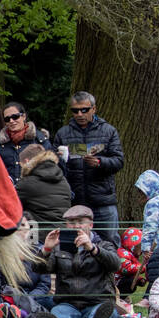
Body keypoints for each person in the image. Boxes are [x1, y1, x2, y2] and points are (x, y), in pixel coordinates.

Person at [30, 204, 121, 318]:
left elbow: (116, 265)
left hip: (97, 303)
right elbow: (37, 268)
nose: (76, 226)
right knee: (58, 312)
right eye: (71, 222)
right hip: (67, 304)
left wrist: (93, 249)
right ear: (66, 225)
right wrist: (46, 249)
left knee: (109, 314)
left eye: (81, 222)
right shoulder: (58, 248)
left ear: (91, 225)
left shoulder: (104, 245)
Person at [53, 91, 124, 245]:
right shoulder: (63, 133)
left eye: (84, 110)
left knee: (109, 242)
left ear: (94, 109)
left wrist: (99, 162)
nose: (79, 114)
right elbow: (53, 165)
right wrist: (60, 159)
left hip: (103, 199)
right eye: (75, 110)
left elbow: (119, 161)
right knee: (72, 243)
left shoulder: (108, 131)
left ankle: (110, 270)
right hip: (75, 199)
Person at [15, 144, 73, 231]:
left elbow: (9, 203)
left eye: (21, 164)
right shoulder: (63, 180)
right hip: (62, 232)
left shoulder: (27, 183)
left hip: (38, 235)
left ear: (27, 161)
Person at [0, 101, 53, 183]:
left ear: (24, 116)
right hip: (10, 192)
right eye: (7, 119)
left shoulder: (39, 140)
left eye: (15, 117)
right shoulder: (0, 145)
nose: (11, 121)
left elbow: (51, 168)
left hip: (35, 191)